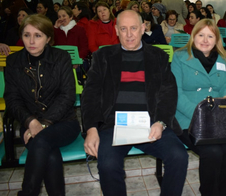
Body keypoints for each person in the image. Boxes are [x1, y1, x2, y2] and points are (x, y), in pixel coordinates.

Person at [81, 10, 188, 196]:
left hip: (150, 123)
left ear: (143, 28)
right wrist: (91, 128)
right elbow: (90, 94)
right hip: (113, 125)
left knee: (179, 156)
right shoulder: (103, 57)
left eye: (133, 28)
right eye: (123, 29)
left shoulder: (158, 56)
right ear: (116, 30)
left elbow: (168, 93)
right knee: (107, 164)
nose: (129, 34)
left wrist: (161, 122)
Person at [4, 14, 81, 195]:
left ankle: (27, 192)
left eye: (38, 35)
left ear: (48, 38)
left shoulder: (61, 58)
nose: (31, 41)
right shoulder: (14, 62)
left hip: (64, 123)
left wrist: (44, 123)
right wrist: (31, 121)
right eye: (26, 35)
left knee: (40, 140)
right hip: (29, 124)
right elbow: (12, 99)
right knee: (50, 153)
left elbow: (67, 96)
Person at [171, 18, 226, 196]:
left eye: (210, 36)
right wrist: (199, 114)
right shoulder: (180, 57)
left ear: (217, 39)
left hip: (218, 117)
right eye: (201, 35)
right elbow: (176, 93)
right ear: (193, 36)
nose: (205, 40)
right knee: (212, 152)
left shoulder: (224, 60)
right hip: (188, 117)